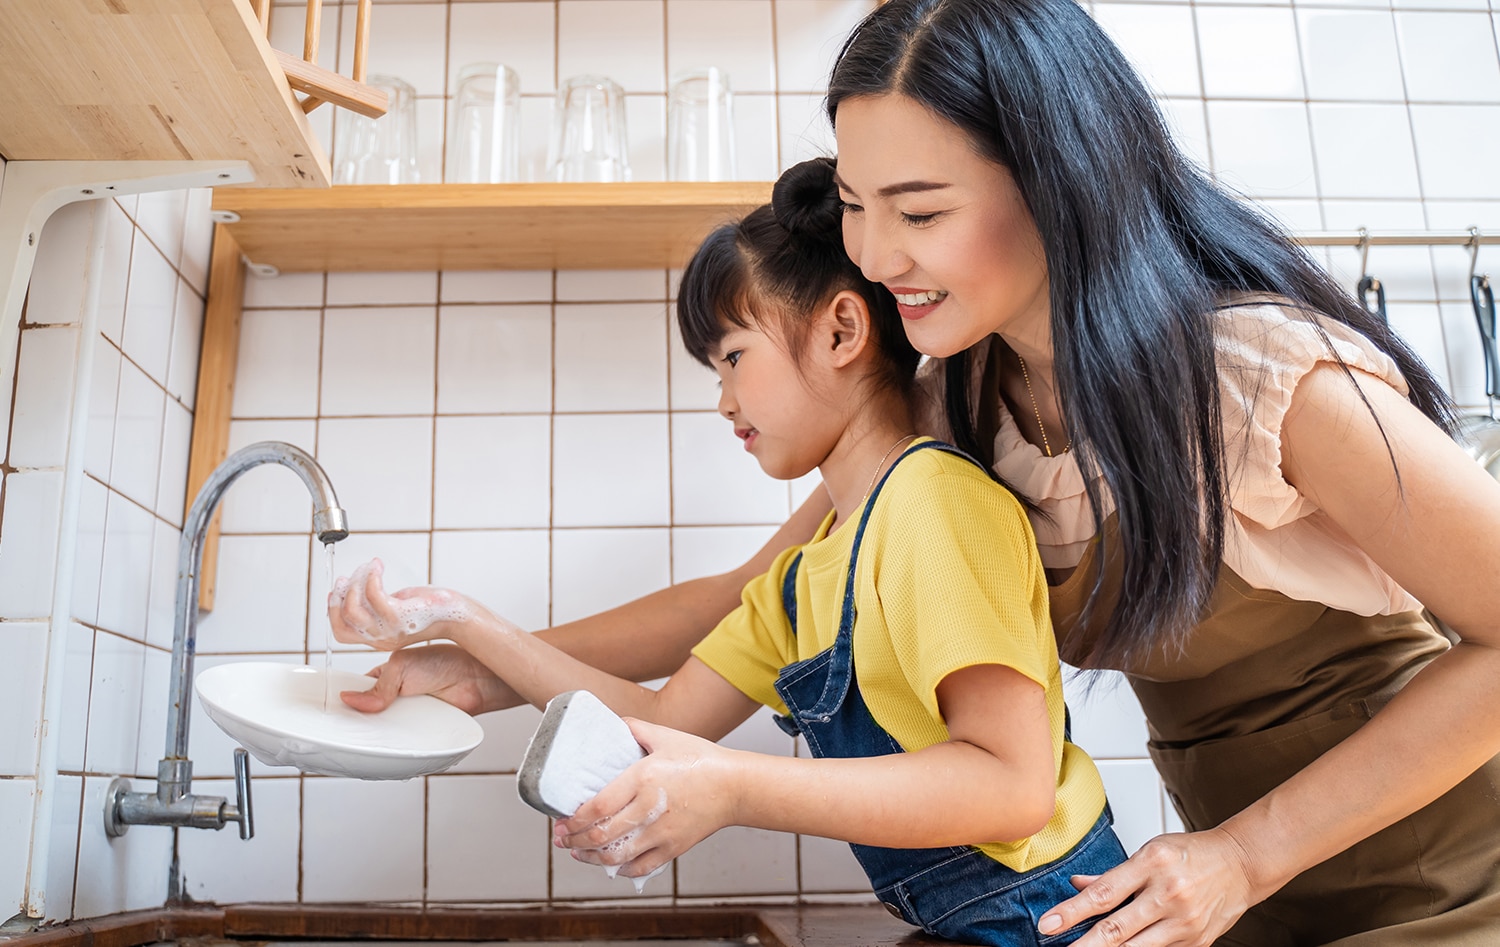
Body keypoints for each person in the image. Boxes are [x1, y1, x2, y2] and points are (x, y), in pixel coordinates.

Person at [337, 0, 1500, 943]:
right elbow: (740, 602)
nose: (876, 257)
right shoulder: (961, 398)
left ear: (1060, 185)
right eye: (853, 205)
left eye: (921, 210)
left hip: (1449, 877)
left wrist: (1248, 852)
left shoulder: (1261, 379)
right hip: (1224, 886)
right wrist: (485, 665)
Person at [330, 159, 1128, 946]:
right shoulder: (800, 580)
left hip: (1059, 917)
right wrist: (465, 626)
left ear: (843, 330)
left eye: (734, 357)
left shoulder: (933, 503)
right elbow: (656, 719)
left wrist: (734, 787)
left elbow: (1013, 787)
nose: (722, 401)